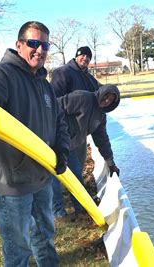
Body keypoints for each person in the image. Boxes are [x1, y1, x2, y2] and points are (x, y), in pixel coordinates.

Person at [0, 21, 70, 267]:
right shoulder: (2, 74)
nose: (39, 49)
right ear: (19, 45)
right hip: (10, 182)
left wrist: (61, 150)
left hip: (41, 175)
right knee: (17, 247)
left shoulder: (45, 85)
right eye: (33, 43)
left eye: (44, 45)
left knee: (44, 235)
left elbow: (59, 121)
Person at [52, 84, 121, 218]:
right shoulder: (82, 97)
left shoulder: (100, 117)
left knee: (76, 175)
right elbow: (55, 107)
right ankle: (58, 213)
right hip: (55, 141)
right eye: (106, 96)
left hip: (69, 147)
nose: (106, 100)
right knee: (54, 178)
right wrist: (59, 130)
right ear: (101, 92)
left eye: (111, 100)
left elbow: (103, 141)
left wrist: (110, 163)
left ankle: (80, 209)